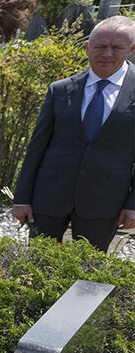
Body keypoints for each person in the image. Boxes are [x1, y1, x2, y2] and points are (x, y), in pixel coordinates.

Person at [11, 15, 135, 253]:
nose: (107, 54)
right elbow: (36, 148)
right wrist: (22, 198)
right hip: (49, 195)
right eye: (100, 46)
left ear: (131, 49)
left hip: (105, 200)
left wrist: (133, 204)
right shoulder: (60, 90)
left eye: (116, 47)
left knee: (88, 269)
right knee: (38, 262)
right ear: (88, 48)